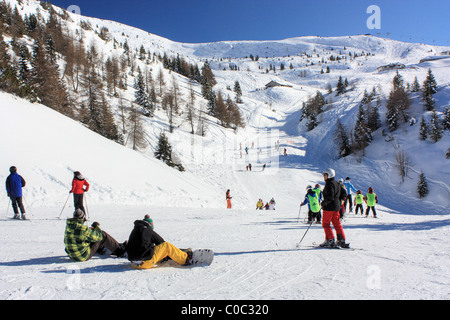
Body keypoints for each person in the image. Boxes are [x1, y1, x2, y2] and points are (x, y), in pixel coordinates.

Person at [127, 215, 193, 270]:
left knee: (151, 248)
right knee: (167, 246)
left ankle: (161, 259)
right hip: (145, 264)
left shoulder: (134, 231)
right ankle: (185, 259)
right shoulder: (148, 230)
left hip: (134, 264)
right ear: (150, 224)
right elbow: (161, 243)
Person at [320, 168, 349, 248]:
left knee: (326, 224)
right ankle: (341, 240)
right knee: (337, 224)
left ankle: (330, 240)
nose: (324, 176)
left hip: (329, 208)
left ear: (329, 175)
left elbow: (330, 196)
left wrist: (324, 202)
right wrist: (340, 200)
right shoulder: (336, 183)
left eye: (325, 175)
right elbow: (344, 192)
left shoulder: (329, 184)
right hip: (336, 207)